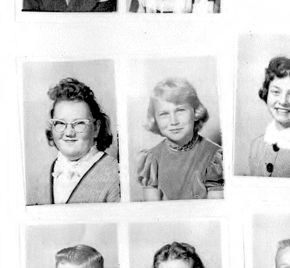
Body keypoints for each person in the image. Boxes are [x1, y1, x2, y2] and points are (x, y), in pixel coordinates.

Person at [137, 78, 224, 201]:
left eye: (180, 110)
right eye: (164, 114)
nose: (173, 121)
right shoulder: (152, 159)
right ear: (155, 119)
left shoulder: (214, 156)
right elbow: (152, 209)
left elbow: (216, 207)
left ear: (196, 112)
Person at [36, 77, 120, 205]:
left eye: (79, 123)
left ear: (96, 128)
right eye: (60, 123)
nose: (69, 133)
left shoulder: (115, 174)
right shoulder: (45, 175)